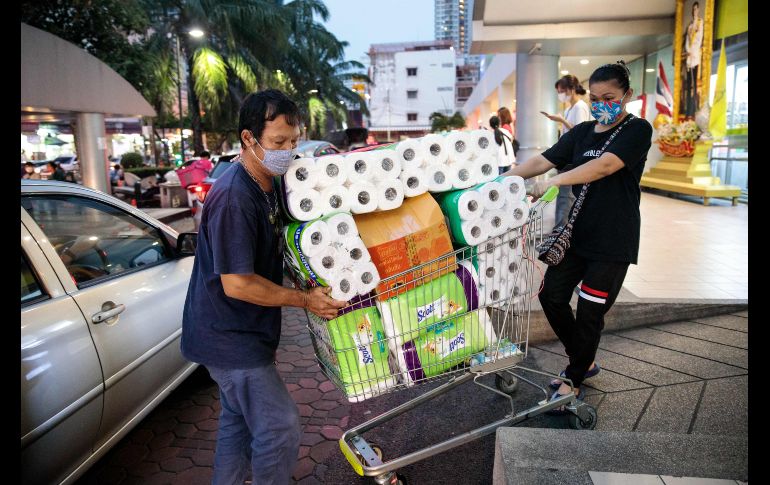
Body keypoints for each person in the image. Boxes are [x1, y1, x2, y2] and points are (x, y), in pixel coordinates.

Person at [181, 89, 346, 485]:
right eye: (277, 143)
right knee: (279, 426)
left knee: (236, 425)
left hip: (239, 332)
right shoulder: (234, 198)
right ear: (248, 139)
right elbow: (237, 284)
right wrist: (304, 300)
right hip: (230, 338)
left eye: (292, 141)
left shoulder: (268, 183)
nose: (287, 151)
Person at [502, 61, 652, 411]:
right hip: (578, 236)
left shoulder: (637, 129)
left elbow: (605, 165)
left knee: (589, 312)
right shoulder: (583, 131)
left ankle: (573, 377)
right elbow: (543, 160)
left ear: (627, 95)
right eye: (596, 98)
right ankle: (583, 360)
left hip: (614, 240)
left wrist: (554, 181)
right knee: (551, 295)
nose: (602, 105)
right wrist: (502, 180)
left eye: (610, 97)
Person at [541, 74, 592, 228]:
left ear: (571, 89)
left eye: (562, 90)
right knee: (563, 198)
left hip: (573, 161)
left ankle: (560, 235)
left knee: (566, 199)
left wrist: (561, 120)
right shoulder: (571, 108)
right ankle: (559, 232)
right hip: (567, 159)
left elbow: (581, 132)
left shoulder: (580, 107)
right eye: (558, 91)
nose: (560, 94)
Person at [683, 1, 703, 118]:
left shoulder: (700, 23)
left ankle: (693, 109)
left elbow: (699, 38)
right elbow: (687, 40)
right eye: (693, 10)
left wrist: (693, 50)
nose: (694, 11)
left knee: (694, 84)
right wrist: (688, 50)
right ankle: (688, 109)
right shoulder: (690, 26)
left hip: (695, 56)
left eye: (696, 9)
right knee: (688, 84)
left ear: (698, 10)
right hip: (689, 56)